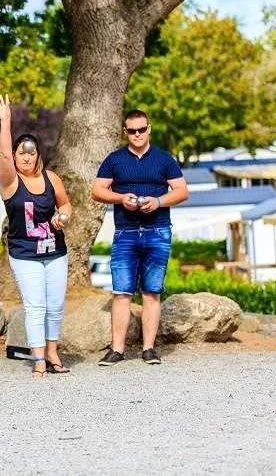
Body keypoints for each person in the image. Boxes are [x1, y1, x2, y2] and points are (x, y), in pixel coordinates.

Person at [91, 109, 189, 366]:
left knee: (151, 292)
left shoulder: (164, 159)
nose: (137, 135)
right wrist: (121, 198)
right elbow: (97, 190)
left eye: (141, 130)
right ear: (125, 132)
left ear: (149, 129)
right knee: (122, 292)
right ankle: (117, 350)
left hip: (158, 230)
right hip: (125, 232)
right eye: (132, 130)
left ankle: (149, 348)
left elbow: (181, 191)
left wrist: (158, 201)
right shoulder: (115, 159)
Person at [0, 95, 72, 378]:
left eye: (31, 152)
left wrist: (63, 217)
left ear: (38, 154)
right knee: (36, 305)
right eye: (21, 153)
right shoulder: (10, 181)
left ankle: (52, 351)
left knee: (56, 304)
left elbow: (65, 204)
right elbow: (2, 154)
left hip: (55, 251)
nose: (26, 157)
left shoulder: (52, 178)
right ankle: (38, 358)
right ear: (14, 155)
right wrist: (6, 121)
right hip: (24, 253)